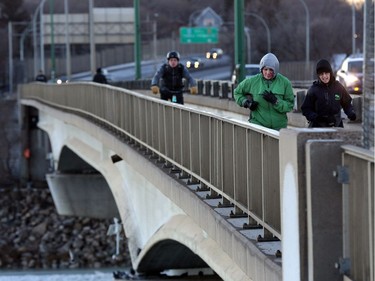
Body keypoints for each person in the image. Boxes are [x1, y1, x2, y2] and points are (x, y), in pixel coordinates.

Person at [233, 53, 295, 130]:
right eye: (265, 69)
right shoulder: (252, 81)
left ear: (276, 69)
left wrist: (276, 101)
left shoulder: (285, 82)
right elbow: (237, 92)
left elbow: (290, 105)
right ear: (261, 69)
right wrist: (247, 103)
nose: (268, 73)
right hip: (258, 126)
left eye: (271, 70)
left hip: (278, 128)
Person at [301, 59, 356, 128]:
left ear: (330, 73)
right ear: (318, 76)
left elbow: (347, 104)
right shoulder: (313, 89)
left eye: (326, 73)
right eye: (321, 74)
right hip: (318, 127)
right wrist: (315, 117)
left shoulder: (338, 87)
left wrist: (350, 113)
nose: (324, 76)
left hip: (337, 125)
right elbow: (306, 109)